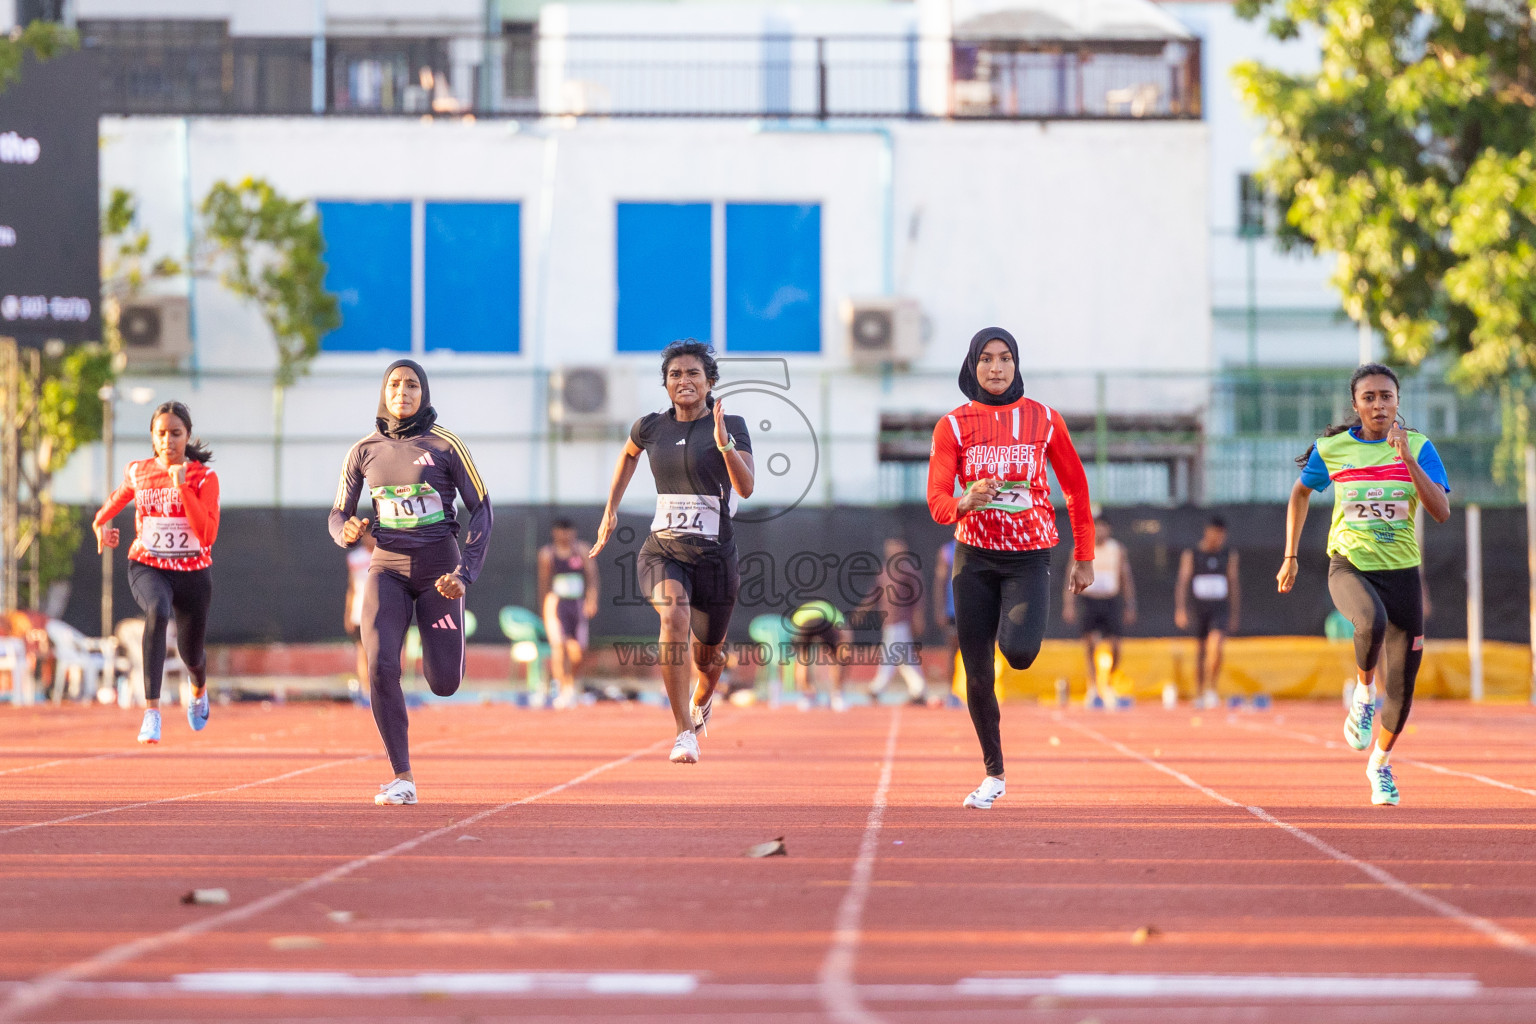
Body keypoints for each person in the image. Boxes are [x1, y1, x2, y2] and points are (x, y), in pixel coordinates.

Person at [927, 327, 1095, 810]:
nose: (996, 369)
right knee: (977, 673)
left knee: (1018, 654)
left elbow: (1077, 490)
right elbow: (937, 502)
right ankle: (993, 774)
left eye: (1004, 359)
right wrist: (965, 501)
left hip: (1028, 557)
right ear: (972, 366)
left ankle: (1011, 631)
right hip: (974, 557)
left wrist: (1084, 557)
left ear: (1017, 364)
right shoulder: (953, 426)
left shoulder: (1044, 419)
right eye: (986, 359)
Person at [1277, 362, 1450, 807]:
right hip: (1349, 565)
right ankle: (1362, 694)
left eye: (1386, 396)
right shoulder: (1332, 448)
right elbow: (1300, 492)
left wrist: (1407, 460)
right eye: (1369, 397)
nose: (1378, 404)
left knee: (1405, 688)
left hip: (1402, 573)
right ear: (1355, 404)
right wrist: (1290, 556)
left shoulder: (1420, 447)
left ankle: (1380, 765)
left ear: (1398, 403)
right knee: (1369, 622)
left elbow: (1441, 512)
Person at [330, 360, 493, 806]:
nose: (403, 391)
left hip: (441, 573)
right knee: (381, 666)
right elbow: (338, 513)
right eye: (395, 384)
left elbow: (482, 508)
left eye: (412, 384)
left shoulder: (445, 445)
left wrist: (465, 573)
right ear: (384, 392)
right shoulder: (363, 450)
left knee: (443, 684)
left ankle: (448, 652)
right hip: (387, 569)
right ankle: (402, 777)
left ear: (424, 392)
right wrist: (342, 531)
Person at [590, 340, 754, 764]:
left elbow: (746, 487)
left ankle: (702, 698)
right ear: (665, 384)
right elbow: (628, 455)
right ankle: (683, 732)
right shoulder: (650, 427)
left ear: (709, 382)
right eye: (675, 375)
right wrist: (611, 510)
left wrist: (723, 444)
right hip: (663, 551)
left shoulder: (730, 423)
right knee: (674, 614)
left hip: (716, 560)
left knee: (709, 656)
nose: (684, 381)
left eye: (693, 373)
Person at [92, 401, 219, 744]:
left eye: (176, 433)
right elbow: (114, 503)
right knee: (157, 610)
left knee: (191, 654)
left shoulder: (203, 477)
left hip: (193, 572)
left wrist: (181, 488)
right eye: (161, 433)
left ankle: (198, 688)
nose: (168, 441)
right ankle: (152, 712)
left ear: (187, 436)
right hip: (148, 565)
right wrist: (101, 523)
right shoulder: (139, 471)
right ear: (152, 436)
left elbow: (207, 535)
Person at [1062, 513, 1136, 706]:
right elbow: (1071, 576)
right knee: (1090, 644)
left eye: (1104, 527)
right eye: (1097, 527)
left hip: (1110, 601)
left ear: (1109, 529)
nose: (1100, 531)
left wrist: (1130, 605)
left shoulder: (1117, 549)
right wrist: (1069, 604)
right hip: (1090, 601)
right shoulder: (1081, 548)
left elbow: (1125, 577)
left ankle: (1109, 683)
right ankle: (1093, 686)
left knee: (1116, 646)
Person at [1174, 517, 1239, 709]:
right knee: (1200, 651)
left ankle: (1212, 688)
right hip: (1199, 607)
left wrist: (1234, 613)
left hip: (1219, 608)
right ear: (1207, 532)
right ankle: (1200, 690)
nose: (1218, 539)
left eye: (1222, 535)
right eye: (1216, 533)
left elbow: (1233, 583)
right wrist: (1181, 609)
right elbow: (1183, 582)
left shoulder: (1228, 555)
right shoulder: (1192, 554)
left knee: (1216, 646)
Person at [537, 518, 599, 708]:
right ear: (555, 533)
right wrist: (545, 608)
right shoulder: (547, 554)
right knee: (559, 646)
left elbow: (592, 577)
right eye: (561, 531)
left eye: (568, 531)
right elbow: (544, 582)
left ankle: (570, 682)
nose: (565, 536)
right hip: (557, 603)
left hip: (577, 603)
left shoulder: (581, 550)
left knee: (578, 650)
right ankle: (561, 688)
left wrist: (592, 599)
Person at [863, 537, 928, 705]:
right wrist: (862, 609)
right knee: (904, 657)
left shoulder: (908, 570)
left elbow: (918, 596)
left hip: (901, 620)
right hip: (888, 619)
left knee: (890, 654)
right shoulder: (885, 570)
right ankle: (918, 689)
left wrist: (918, 617)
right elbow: (875, 593)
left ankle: (877, 688)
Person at [786, 599, 851, 711]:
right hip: (822, 621)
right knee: (836, 658)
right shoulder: (834, 612)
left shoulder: (799, 614)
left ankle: (807, 696)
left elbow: (793, 638)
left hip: (803, 623)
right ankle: (837, 695)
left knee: (802, 659)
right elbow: (846, 635)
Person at [343, 527, 377, 693]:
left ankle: (384, 688)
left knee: (383, 652)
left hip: (382, 610)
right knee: (362, 651)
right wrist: (348, 613)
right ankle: (366, 689)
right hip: (360, 611)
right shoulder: (355, 558)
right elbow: (352, 587)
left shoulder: (385, 556)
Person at [932, 538, 959, 690]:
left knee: (977, 654)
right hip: (953, 610)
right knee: (952, 652)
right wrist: (939, 609)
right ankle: (951, 692)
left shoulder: (983, 545)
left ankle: (975, 694)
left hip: (976, 609)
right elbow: (940, 581)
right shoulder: (947, 551)